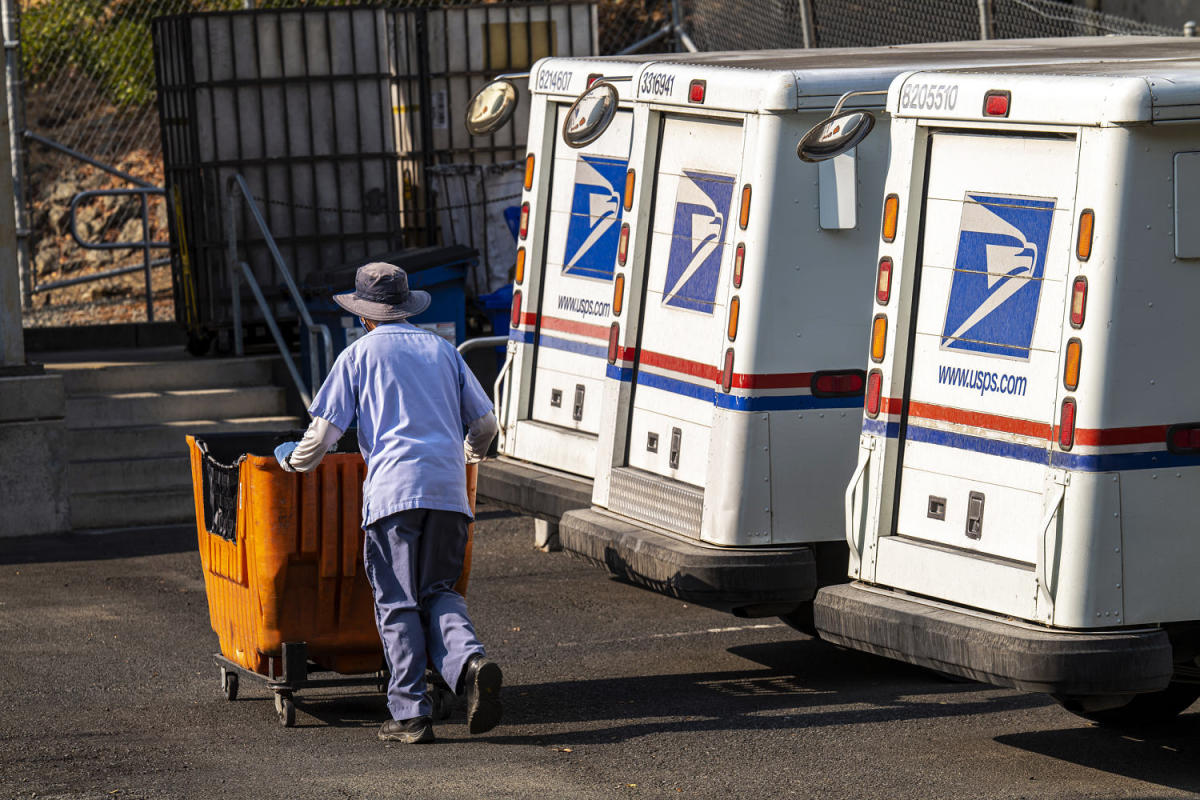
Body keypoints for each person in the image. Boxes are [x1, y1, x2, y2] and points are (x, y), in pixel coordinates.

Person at [273, 262, 502, 744]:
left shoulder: (357, 356)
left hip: (393, 497)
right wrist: (462, 457)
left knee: (397, 603)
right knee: (440, 591)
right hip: (448, 493)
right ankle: (470, 663)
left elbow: (323, 438)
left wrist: (290, 463)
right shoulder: (444, 351)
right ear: (406, 307)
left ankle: (410, 715)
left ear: (364, 316)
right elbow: (485, 427)